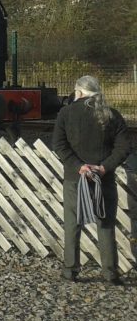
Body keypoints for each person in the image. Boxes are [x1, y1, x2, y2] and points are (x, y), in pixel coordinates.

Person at [52, 75, 130, 285]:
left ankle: (70, 271)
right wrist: (104, 167)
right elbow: (124, 148)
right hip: (103, 180)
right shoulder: (112, 115)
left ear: (78, 92)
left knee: (72, 225)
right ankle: (110, 273)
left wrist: (79, 166)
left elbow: (59, 145)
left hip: (75, 179)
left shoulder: (66, 113)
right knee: (105, 225)